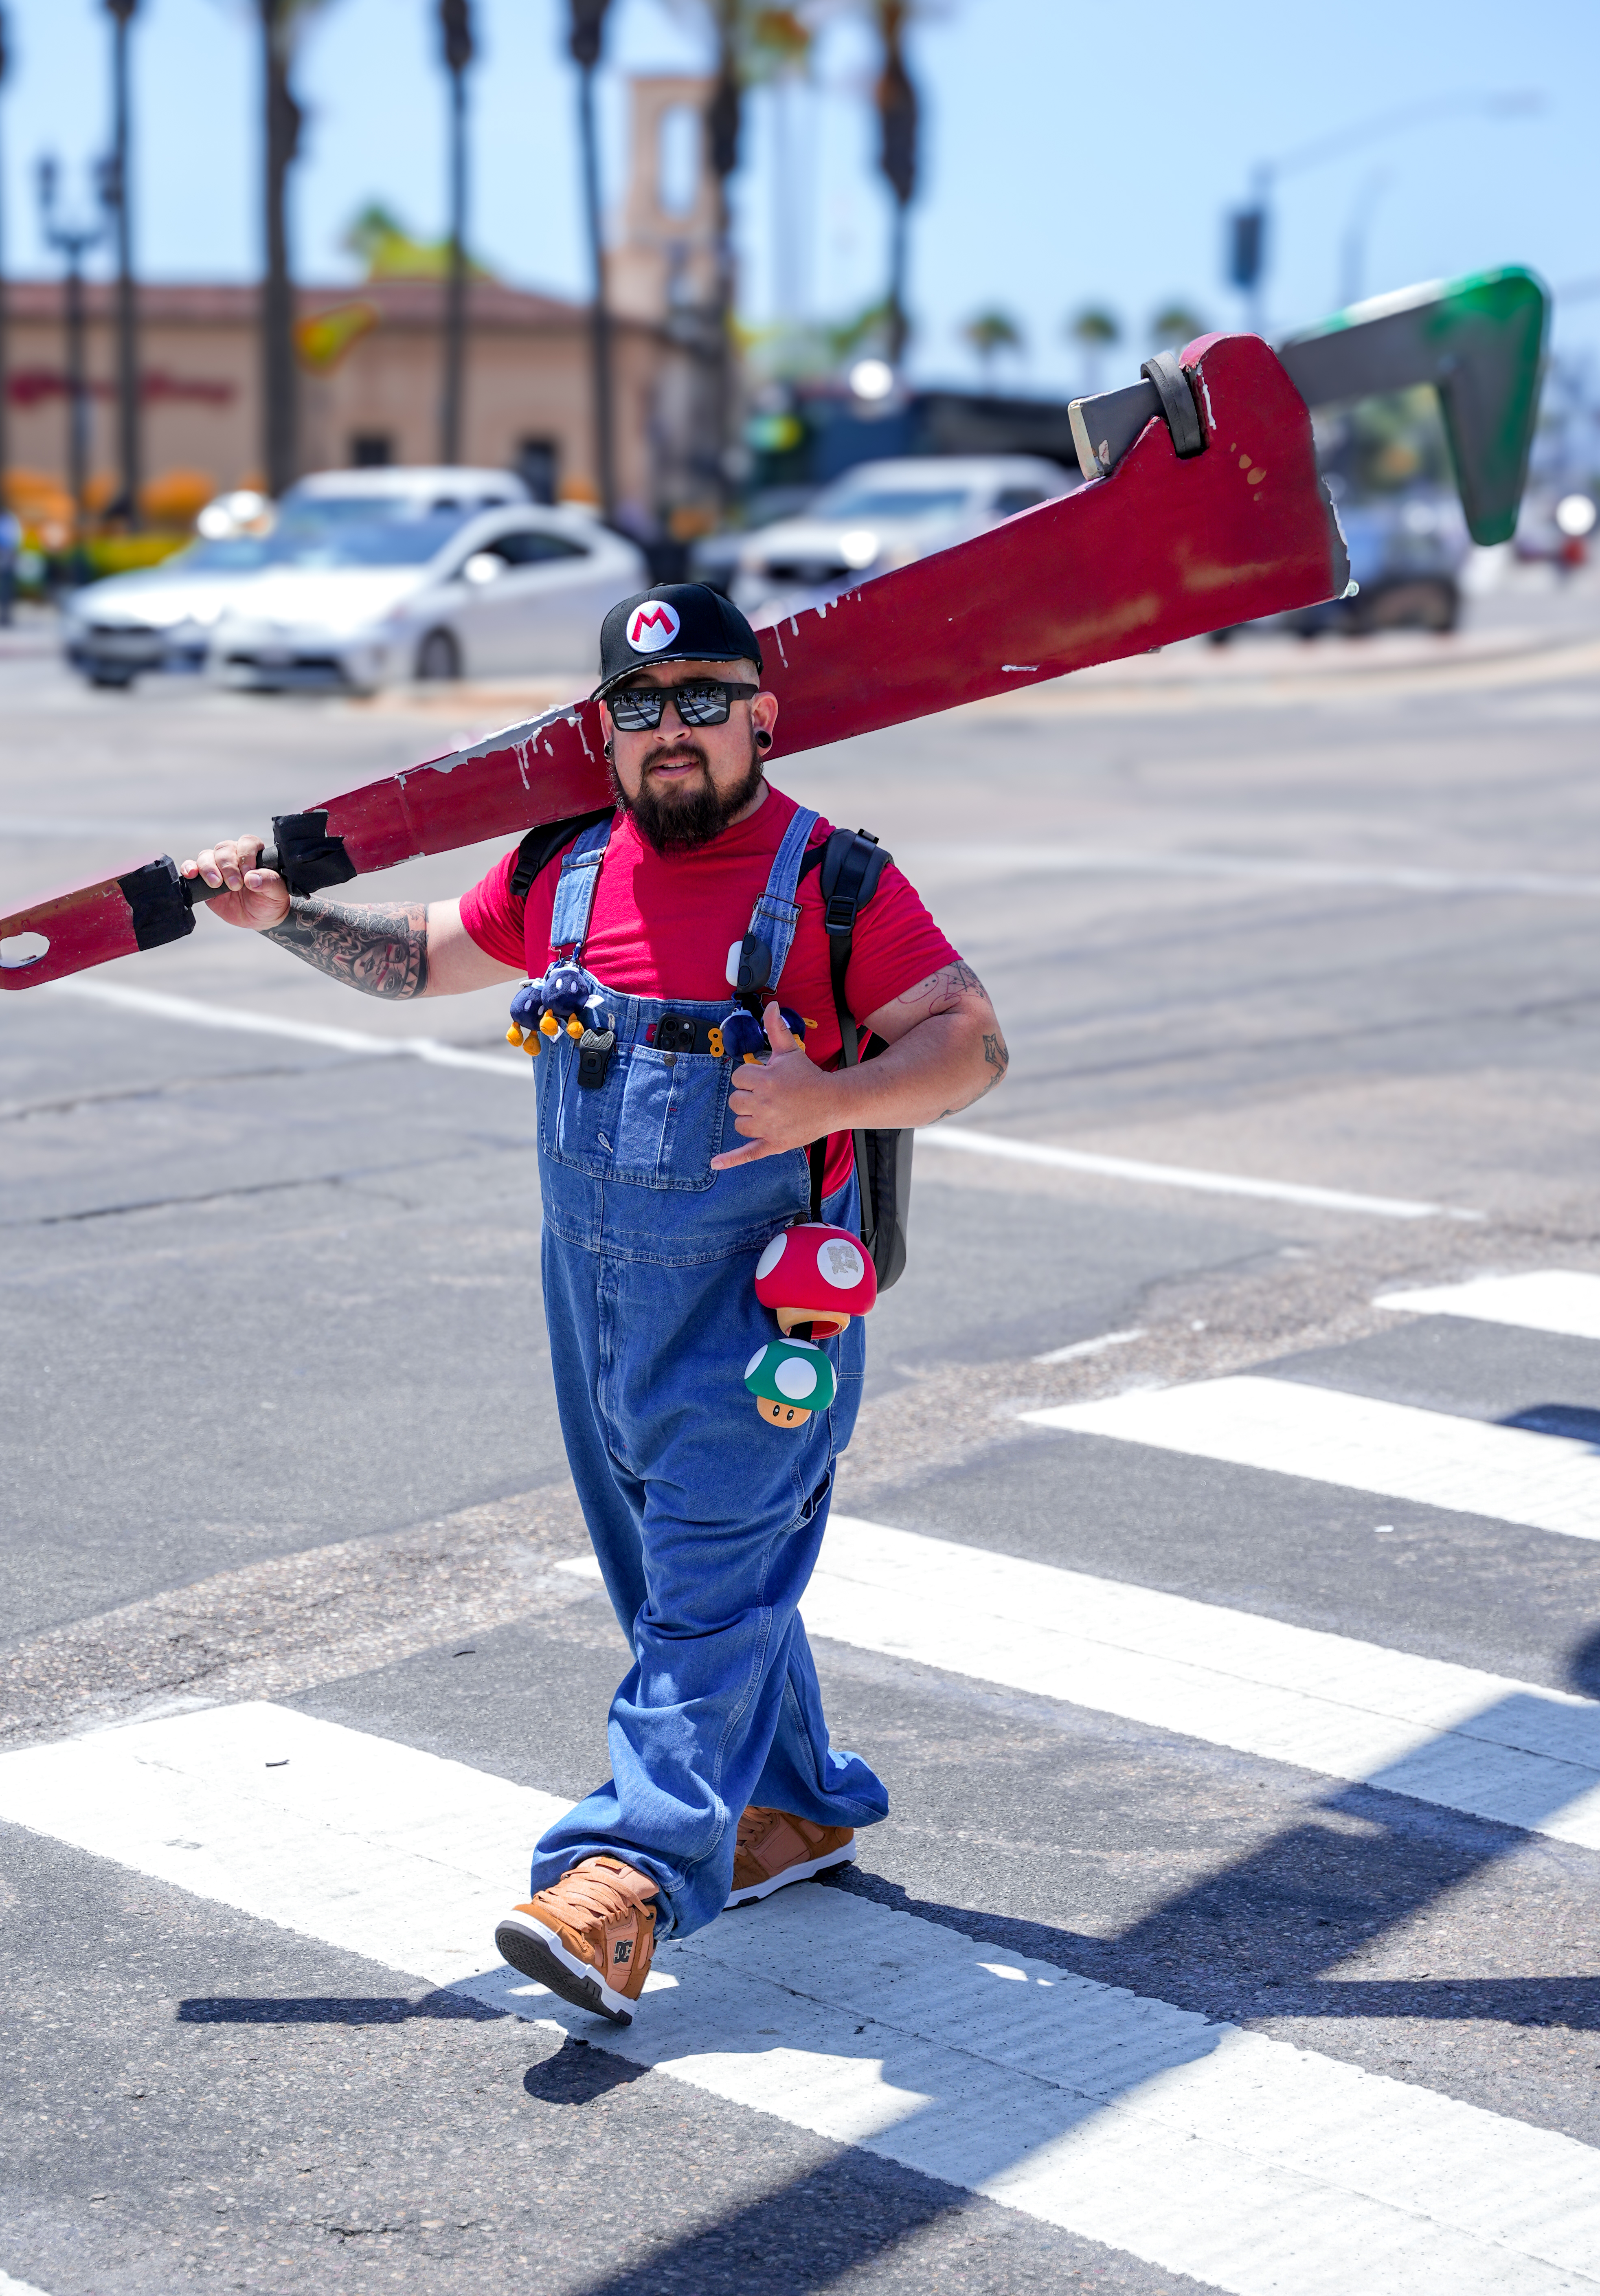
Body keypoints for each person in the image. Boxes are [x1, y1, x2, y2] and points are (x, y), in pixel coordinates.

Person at [184, 584, 1009, 2023]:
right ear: (603, 732)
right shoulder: (565, 868)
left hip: (763, 1320)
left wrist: (833, 1095)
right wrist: (284, 917)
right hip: (597, 1302)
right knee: (691, 1580)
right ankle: (797, 1805)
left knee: (703, 1590)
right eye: (640, 708)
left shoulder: (832, 881)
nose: (671, 730)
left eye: (702, 699)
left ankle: (622, 1876)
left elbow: (970, 1043)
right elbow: (426, 954)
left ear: (763, 714)